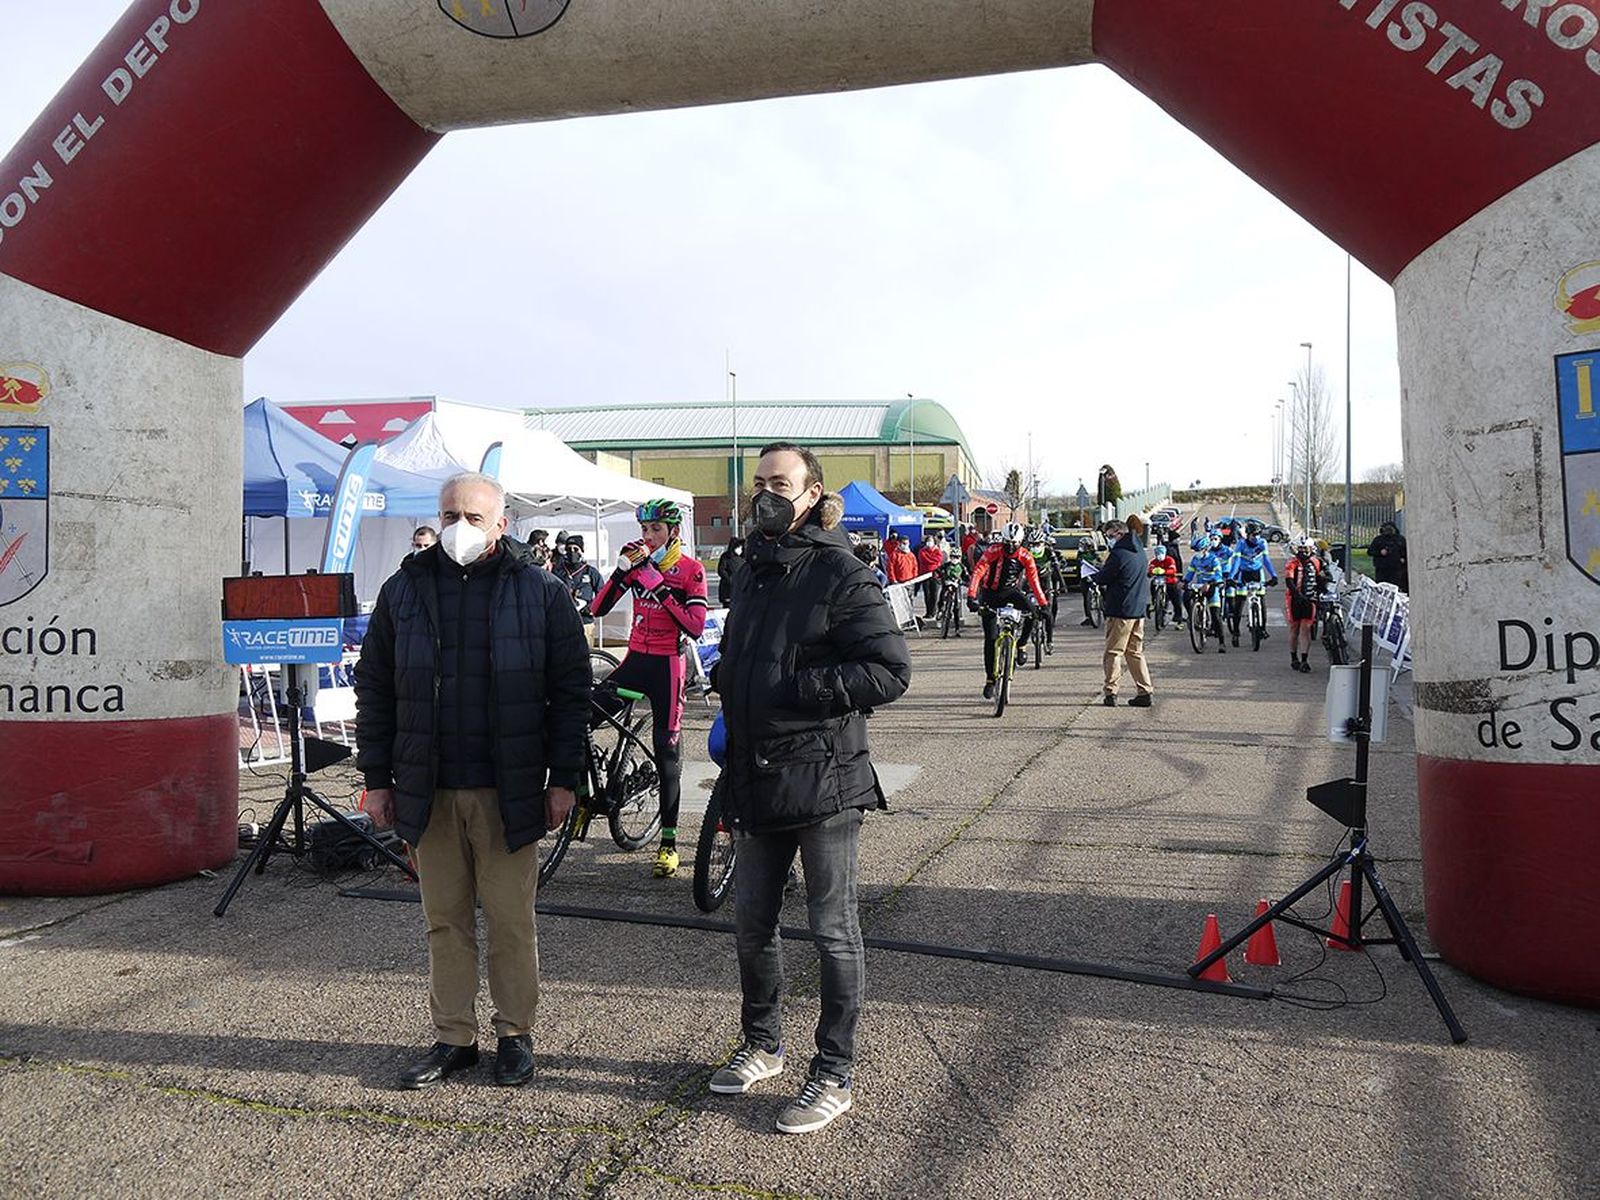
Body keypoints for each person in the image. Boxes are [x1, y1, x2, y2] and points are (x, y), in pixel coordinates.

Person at [355, 472, 591, 1090]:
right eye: (450, 514)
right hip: (427, 790)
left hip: (507, 790)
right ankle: (453, 1037)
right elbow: (375, 689)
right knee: (445, 921)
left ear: (502, 524)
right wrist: (377, 778)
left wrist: (564, 779)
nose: (460, 527)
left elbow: (570, 695)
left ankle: (516, 1033)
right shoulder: (403, 589)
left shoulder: (541, 593)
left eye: (474, 517)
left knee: (512, 921)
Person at [708, 441, 911, 1135]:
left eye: (780, 483)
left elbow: (888, 671)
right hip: (756, 778)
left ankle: (834, 1073)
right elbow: (751, 656)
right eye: (759, 482)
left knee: (832, 931)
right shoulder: (749, 570)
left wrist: (793, 688)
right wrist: (729, 678)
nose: (766, 493)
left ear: (812, 492)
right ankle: (763, 1044)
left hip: (823, 783)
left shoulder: (842, 572)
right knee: (751, 926)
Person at [588, 500, 708, 876]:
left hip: (668, 667)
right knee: (579, 715)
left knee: (666, 752)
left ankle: (669, 843)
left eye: (655, 530)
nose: (648, 537)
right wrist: (622, 575)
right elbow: (598, 609)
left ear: (673, 532)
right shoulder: (639, 563)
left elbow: (695, 626)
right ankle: (584, 800)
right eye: (644, 530)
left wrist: (658, 586)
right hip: (635, 661)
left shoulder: (691, 569)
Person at [966, 522, 1048, 698]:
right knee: (991, 638)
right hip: (989, 594)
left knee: (1033, 613)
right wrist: (971, 596)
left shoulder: (1025, 555)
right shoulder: (993, 550)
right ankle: (990, 679)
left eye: (1014, 543)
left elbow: (1034, 581)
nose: (1010, 547)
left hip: (1011, 592)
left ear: (1020, 542)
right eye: (1007, 543)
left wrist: (1044, 604)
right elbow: (979, 571)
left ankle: (1022, 645)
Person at [1095, 517, 1154, 707]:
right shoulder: (1139, 552)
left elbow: (1106, 576)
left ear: (1119, 533)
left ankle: (1111, 692)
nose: (1108, 539)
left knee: (1113, 652)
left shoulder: (1119, 553)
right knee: (1135, 652)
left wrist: (1091, 577)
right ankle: (1145, 691)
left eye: (1109, 535)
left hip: (1120, 610)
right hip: (1138, 610)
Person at [1228, 521, 1278, 646]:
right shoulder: (1241, 544)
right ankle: (1235, 632)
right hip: (1244, 574)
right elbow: (1236, 561)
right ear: (1248, 535)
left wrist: (1274, 575)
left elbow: (1266, 560)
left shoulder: (1262, 543)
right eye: (1253, 535)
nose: (1256, 537)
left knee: (1261, 600)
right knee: (1239, 605)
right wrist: (1231, 577)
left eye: (1258, 535)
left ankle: (1262, 628)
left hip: (1257, 573)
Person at [1284, 536, 1329, 673]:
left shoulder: (1317, 562)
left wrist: (1323, 578)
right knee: (1294, 628)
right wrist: (1297, 595)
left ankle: (1304, 659)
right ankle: (1293, 658)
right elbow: (1289, 581)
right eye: (1301, 548)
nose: (1303, 551)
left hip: (1311, 599)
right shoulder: (1292, 563)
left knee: (1306, 629)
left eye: (1306, 548)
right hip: (1294, 599)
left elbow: (1327, 576)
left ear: (1311, 549)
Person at [1184, 533, 1229, 652]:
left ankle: (1221, 642)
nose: (1198, 553)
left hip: (1212, 586)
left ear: (1205, 549)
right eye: (1196, 550)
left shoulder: (1214, 559)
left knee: (1216, 615)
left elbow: (1218, 575)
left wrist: (1211, 584)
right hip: (1200, 586)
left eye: (1200, 550)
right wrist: (1184, 582)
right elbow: (1190, 574)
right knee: (1187, 596)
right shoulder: (1195, 559)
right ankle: (1194, 618)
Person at [552, 534, 605, 632]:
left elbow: (602, 593)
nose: (572, 552)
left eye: (575, 549)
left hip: (584, 622)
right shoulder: (557, 571)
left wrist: (590, 608)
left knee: (585, 647)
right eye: (569, 549)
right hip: (563, 622)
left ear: (582, 551)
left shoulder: (591, 571)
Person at [1148, 539, 1183, 628]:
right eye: (1158, 554)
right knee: (1152, 584)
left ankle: (1179, 619)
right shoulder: (1154, 561)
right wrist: (1152, 571)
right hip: (1159, 581)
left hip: (1170, 581)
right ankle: (1154, 603)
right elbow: (1150, 569)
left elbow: (1173, 569)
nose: (1159, 556)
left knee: (1176, 600)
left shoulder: (1170, 560)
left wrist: (1164, 571)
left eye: (1161, 553)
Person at [1367, 521, 1408, 591]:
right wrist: (1380, 552)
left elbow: (1405, 551)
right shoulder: (1378, 540)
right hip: (1382, 568)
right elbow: (1370, 551)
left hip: (1396, 568)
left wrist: (1403, 558)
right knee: (1382, 586)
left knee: (1396, 586)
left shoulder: (1400, 539)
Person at [915, 532, 945, 618]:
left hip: (935, 575)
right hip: (925, 575)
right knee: (927, 594)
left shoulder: (937, 550)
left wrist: (930, 560)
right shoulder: (922, 551)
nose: (929, 543)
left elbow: (938, 559)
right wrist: (932, 560)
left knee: (934, 594)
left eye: (931, 541)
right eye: (928, 541)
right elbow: (923, 559)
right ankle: (928, 612)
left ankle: (933, 611)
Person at [1077, 535, 1103, 626]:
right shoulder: (1080, 555)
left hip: (1096, 575)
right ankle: (1088, 617)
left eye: (1087, 546)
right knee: (1086, 597)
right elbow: (1079, 566)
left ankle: (1106, 611)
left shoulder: (1095, 554)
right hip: (1085, 578)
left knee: (1104, 590)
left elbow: (1100, 563)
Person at [717, 536, 747, 607]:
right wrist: (730, 579)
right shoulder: (726, 557)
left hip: (740, 588)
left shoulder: (743, 558)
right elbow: (721, 570)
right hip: (728, 588)